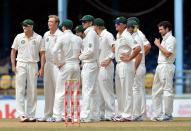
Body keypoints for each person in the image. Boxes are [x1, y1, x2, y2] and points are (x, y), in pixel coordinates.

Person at [10, 19, 45, 122]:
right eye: (23, 26)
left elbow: (42, 53)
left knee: (32, 90)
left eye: (26, 26)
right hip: (20, 64)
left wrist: (42, 67)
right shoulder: (18, 36)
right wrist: (13, 65)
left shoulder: (38, 37)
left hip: (33, 64)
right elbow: (13, 51)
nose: (24, 27)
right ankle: (21, 114)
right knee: (20, 89)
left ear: (31, 26)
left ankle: (31, 114)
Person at [52, 19, 82, 122]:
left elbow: (54, 51)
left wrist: (58, 63)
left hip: (66, 65)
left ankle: (57, 116)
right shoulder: (78, 39)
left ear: (63, 27)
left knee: (61, 91)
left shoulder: (61, 38)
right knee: (74, 92)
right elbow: (83, 52)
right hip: (76, 66)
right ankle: (72, 116)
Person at [112, 16, 141, 122]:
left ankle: (127, 115)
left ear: (124, 25)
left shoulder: (126, 35)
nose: (116, 25)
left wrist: (129, 57)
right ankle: (121, 113)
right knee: (119, 91)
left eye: (118, 24)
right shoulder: (118, 35)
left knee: (127, 90)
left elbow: (137, 48)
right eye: (116, 23)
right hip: (119, 64)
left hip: (126, 64)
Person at [37, 15, 63, 122]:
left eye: (51, 22)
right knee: (48, 90)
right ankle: (47, 114)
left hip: (58, 65)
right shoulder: (46, 34)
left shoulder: (61, 35)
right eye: (48, 21)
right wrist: (42, 67)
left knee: (58, 90)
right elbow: (43, 52)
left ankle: (58, 115)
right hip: (48, 64)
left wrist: (61, 64)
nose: (49, 23)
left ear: (57, 23)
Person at [126, 19, 151, 121]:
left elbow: (144, 49)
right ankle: (141, 114)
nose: (127, 29)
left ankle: (137, 114)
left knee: (136, 90)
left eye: (129, 27)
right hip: (140, 64)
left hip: (138, 65)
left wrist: (135, 65)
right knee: (139, 90)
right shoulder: (137, 35)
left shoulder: (138, 35)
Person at [151, 21, 176, 121]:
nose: (159, 31)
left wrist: (158, 44)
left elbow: (168, 53)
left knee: (167, 90)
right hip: (160, 66)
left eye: (161, 29)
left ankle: (168, 114)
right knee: (155, 91)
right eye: (159, 29)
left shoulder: (171, 39)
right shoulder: (165, 39)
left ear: (167, 29)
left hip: (166, 66)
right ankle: (158, 114)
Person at [79, 15, 100, 122]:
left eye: (86, 22)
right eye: (83, 22)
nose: (83, 23)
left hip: (90, 63)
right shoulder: (90, 33)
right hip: (92, 63)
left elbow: (90, 51)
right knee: (93, 90)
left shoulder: (91, 33)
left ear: (91, 23)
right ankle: (95, 115)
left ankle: (85, 115)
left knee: (87, 90)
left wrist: (79, 57)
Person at [94, 18, 115, 121]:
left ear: (97, 26)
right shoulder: (99, 36)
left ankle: (110, 113)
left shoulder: (108, 35)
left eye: (94, 26)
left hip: (106, 66)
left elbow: (115, 47)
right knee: (99, 91)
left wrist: (110, 58)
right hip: (99, 67)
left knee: (107, 90)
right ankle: (101, 113)